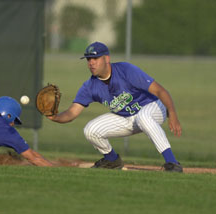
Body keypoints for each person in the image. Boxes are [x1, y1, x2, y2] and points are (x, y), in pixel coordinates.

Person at [47, 41, 183, 172]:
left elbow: (160, 91)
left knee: (144, 117)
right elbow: (72, 113)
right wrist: (55, 117)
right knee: (90, 130)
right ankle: (112, 160)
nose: (91, 63)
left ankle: (172, 163)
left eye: (95, 58)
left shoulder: (126, 70)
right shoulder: (90, 86)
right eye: (88, 59)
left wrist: (173, 114)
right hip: (127, 117)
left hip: (153, 107)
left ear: (106, 58)